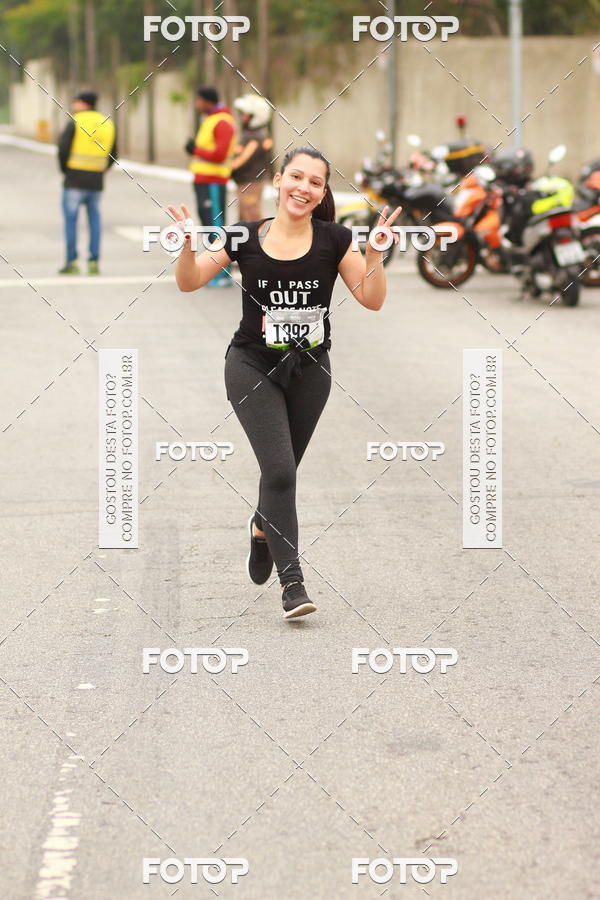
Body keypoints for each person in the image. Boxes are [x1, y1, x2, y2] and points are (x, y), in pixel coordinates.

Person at [168, 147, 401, 619]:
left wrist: (375, 254)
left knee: (282, 471)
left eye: (315, 182)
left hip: (311, 371)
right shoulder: (242, 236)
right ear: (278, 180)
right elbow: (190, 282)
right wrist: (187, 247)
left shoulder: (336, 239)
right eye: (296, 177)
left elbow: (371, 298)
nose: (304, 188)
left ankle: (262, 528)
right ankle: (292, 585)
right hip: (251, 366)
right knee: (280, 473)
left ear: (323, 192)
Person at [57, 91, 117, 275]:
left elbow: (63, 149)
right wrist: (100, 169)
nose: (73, 105)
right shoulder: (107, 123)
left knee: (71, 221)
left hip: (74, 179)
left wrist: (66, 170)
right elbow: (114, 154)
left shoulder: (75, 121)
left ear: (83, 104)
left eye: (76, 102)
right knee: (94, 222)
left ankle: (72, 262)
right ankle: (94, 262)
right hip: (96, 180)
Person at [185, 86, 237, 288]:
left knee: (216, 227)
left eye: (198, 100)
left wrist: (195, 150)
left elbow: (220, 155)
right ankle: (212, 271)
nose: (196, 104)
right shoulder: (210, 119)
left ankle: (222, 273)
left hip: (214, 182)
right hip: (203, 181)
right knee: (208, 225)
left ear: (207, 101)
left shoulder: (222, 122)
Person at [230, 93, 273, 221]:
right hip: (245, 183)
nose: (242, 118)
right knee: (243, 219)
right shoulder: (251, 135)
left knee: (252, 218)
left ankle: (260, 235)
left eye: (246, 115)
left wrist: (223, 169)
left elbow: (241, 160)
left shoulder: (255, 137)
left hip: (251, 183)